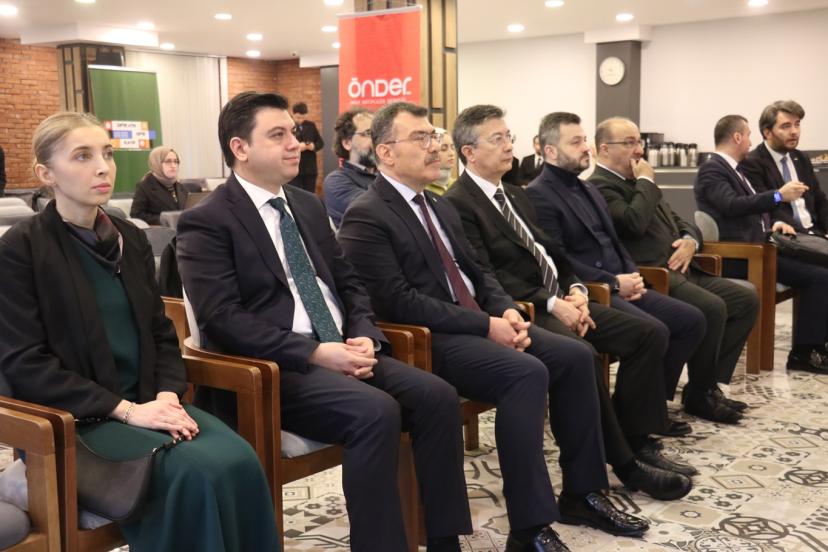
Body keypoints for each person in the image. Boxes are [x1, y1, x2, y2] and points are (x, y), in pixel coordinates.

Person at [339, 101, 650, 552]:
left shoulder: (438, 205)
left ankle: (582, 493)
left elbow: (480, 273)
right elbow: (398, 301)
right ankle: (529, 527)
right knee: (526, 373)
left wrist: (506, 311)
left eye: (434, 136)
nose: (434, 147)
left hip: (477, 322)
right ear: (386, 152)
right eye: (421, 138)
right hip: (431, 338)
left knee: (575, 356)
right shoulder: (367, 213)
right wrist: (485, 324)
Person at [176, 92, 472, 552]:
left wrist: (364, 333)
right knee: (376, 411)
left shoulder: (305, 205)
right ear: (240, 147)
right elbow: (222, 319)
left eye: (294, 133)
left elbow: (349, 283)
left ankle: (443, 541)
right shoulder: (207, 220)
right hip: (278, 367)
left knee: (438, 396)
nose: (295, 144)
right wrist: (314, 352)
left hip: (342, 348)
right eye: (278, 135)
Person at [0, 111, 278, 551]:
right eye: (82, 156)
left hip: (151, 402)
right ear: (45, 174)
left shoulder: (128, 238)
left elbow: (160, 332)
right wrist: (127, 411)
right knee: (196, 474)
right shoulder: (20, 249)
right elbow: (25, 364)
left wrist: (167, 395)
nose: (103, 167)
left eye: (107, 154)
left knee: (241, 459)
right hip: (76, 423)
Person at [444, 104, 694, 501]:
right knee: (580, 355)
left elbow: (553, 253)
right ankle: (619, 466)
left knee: (647, 333)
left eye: (509, 137)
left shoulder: (515, 194)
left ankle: (636, 438)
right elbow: (487, 275)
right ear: (469, 152)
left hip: (562, 296)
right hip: (524, 306)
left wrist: (576, 289)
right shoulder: (458, 203)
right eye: (497, 139)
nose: (509, 146)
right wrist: (551, 303)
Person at [524, 113, 715, 423]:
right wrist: (613, 282)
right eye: (576, 142)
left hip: (622, 282)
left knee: (691, 320)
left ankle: (650, 404)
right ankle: (633, 421)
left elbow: (614, 243)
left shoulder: (587, 189)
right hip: (593, 289)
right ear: (550, 151)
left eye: (584, 140)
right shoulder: (538, 193)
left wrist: (631, 274)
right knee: (653, 332)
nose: (585, 147)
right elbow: (559, 259)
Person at [590, 117, 758, 415]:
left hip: (684, 269)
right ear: (604, 149)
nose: (638, 150)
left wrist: (691, 241)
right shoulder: (600, 186)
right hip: (653, 273)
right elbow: (632, 223)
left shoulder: (638, 181)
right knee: (713, 307)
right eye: (629, 143)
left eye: (639, 142)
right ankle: (686, 396)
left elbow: (681, 221)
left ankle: (706, 385)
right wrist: (646, 182)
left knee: (746, 298)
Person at [694, 114, 828, 374]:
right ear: (737, 137)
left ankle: (816, 345)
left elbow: (751, 210)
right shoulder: (713, 169)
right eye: (748, 135)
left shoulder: (734, 169)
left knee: (821, 267)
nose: (750, 141)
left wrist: (772, 224)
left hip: (759, 247)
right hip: (741, 256)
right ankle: (804, 353)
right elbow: (731, 206)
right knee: (820, 277)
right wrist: (778, 195)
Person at [740, 100, 828, 236]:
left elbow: (819, 199)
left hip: (816, 232)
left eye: (797, 124)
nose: (794, 132)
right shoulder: (752, 163)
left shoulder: (802, 158)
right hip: (789, 235)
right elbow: (762, 206)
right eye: (786, 126)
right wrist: (779, 195)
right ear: (767, 133)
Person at [323, 108, 375, 228]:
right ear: (347, 143)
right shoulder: (336, 181)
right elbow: (377, 212)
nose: (376, 140)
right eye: (368, 133)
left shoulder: (385, 175)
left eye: (377, 134)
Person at [130, 146, 187, 225]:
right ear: (156, 163)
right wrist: (163, 219)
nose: (173, 165)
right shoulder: (144, 187)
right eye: (168, 161)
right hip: (161, 231)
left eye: (176, 161)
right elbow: (136, 215)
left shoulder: (182, 187)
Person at [288, 102, 324, 193]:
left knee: (310, 194)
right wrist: (297, 147)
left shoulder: (311, 125)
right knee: (294, 195)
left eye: (303, 117)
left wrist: (313, 146)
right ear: (293, 114)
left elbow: (320, 143)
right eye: (298, 117)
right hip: (294, 167)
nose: (300, 120)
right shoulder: (288, 126)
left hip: (310, 168)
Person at [426, 128, 455, 196]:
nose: (451, 153)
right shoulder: (422, 188)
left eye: (452, 147)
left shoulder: (457, 184)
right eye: (443, 148)